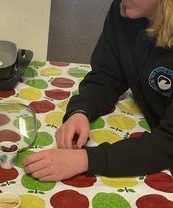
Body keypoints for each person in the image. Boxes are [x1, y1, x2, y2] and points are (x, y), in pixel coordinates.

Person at [23, 0, 173, 182]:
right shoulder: (127, 9)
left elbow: (169, 142)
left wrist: (84, 160)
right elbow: (107, 74)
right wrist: (81, 111)